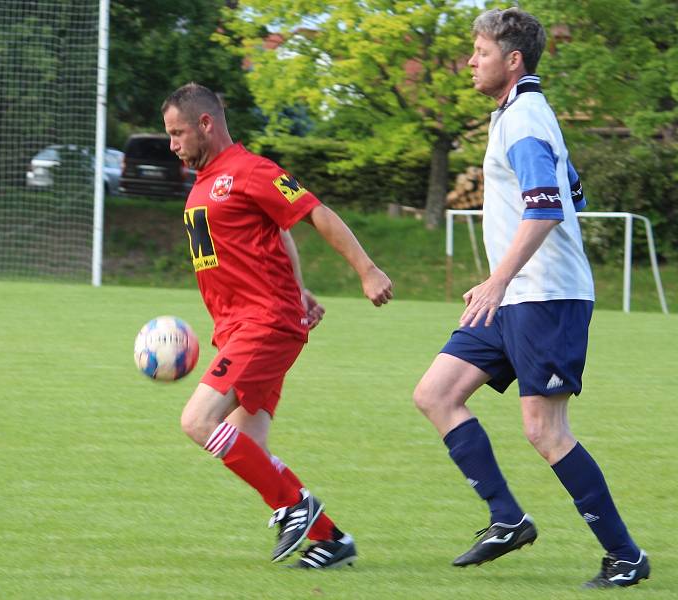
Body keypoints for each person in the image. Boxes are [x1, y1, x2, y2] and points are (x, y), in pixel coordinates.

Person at [411, 7, 649, 588]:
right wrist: (502, 280)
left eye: (481, 52)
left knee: (545, 431)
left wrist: (499, 277)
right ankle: (506, 518)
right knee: (437, 393)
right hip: (516, 295)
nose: (470, 61)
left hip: (545, 297)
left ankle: (626, 556)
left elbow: (546, 207)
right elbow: (574, 194)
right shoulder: (521, 115)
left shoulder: (522, 121)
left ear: (512, 60)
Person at [162, 82, 393, 569]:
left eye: (178, 132)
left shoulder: (250, 170)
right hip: (239, 325)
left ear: (206, 123)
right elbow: (277, 231)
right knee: (250, 447)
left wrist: (366, 269)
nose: (173, 144)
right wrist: (300, 286)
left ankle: (296, 505)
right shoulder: (204, 184)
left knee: (197, 421)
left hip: (263, 323)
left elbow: (314, 214)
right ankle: (333, 541)